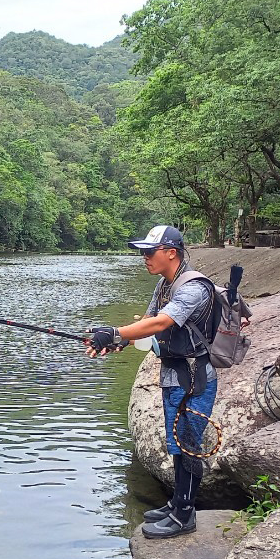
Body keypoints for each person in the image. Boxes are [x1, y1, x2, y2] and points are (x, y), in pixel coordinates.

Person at [85, 225, 218, 539]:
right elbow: (149, 327)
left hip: (195, 380)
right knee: (177, 443)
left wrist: (115, 331)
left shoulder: (193, 288)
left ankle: (185, 515)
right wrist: (117, 342)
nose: (143, 258)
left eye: (149, 252)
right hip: (173, 376)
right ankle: (177, 504)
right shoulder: (163, 284)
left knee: (188, 445)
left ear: (170, 252)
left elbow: (162, 322)